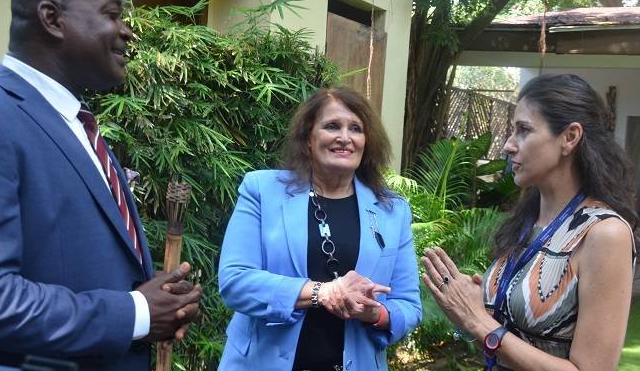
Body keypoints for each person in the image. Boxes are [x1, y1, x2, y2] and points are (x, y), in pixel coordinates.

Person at [0, 0, 202, 371]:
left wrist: (161, 308)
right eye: (112, 14)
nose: (127, 31)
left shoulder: (78, 126)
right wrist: (134, 314)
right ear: (52, 19)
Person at [422, 74, 637, 371]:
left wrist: (478, 321)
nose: (509, 145)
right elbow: (506, 335)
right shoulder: (526, 221)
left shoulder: (603, 234)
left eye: (523, 130)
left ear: (570, 137)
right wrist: (466, 311)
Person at [217, 87, 422, 371]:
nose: (345, 138)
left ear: (367, 141)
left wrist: (376, 314)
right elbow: (235, 282)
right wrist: (321, 292)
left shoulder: (392, 211)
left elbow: (409, 306)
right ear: (309, 139)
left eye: (356, 129)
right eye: (332, 126)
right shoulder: (262, 191)